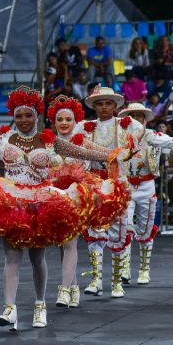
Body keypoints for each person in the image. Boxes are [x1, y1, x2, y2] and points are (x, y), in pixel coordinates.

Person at [0, 87, 129, 330]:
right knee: (11, 257)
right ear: (13, 116)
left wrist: (111, 155)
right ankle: (9, 308)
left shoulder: (48, 140)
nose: (23, 120)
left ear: (36, 116)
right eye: (19, 115)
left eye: (28, 115)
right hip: (12, 203)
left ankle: (40, 305)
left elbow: (82, 151)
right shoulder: (4, 140)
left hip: (40, 204)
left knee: (37, 258)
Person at [73, 86, 173, 297]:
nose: (104, 107)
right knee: (94, 231)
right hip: (94, 183)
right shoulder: (84, 127)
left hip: (120, 183)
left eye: (108, 103)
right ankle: (96, 279)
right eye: (99, 103)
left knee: (120, 231)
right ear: (95, 106)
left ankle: (117, 281)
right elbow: (69, 143)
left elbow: (149, 135)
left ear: (114, 105)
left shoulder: (127, 125)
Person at [47, 95, 129, 306]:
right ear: (54, 122)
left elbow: (107, 154)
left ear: (76, 123)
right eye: (60, 120)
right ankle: (73, 286)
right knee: (61, 244)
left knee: (70, 242)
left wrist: (124, 152)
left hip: (76, 197)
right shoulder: (46, 143)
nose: (64, 123)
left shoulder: (81, 141)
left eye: (68, 119)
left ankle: (64, 290)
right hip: (53, 197)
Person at [118, 103, 173, 284]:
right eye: (132, 116)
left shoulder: (151, 135)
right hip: (126, 185)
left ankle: (144, 269)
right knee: (124, 226)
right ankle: (124, 269)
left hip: (147, 186)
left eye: (139, 116)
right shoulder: (119, 137)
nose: (135, 119)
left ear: (144, 119)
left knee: (146, 229)